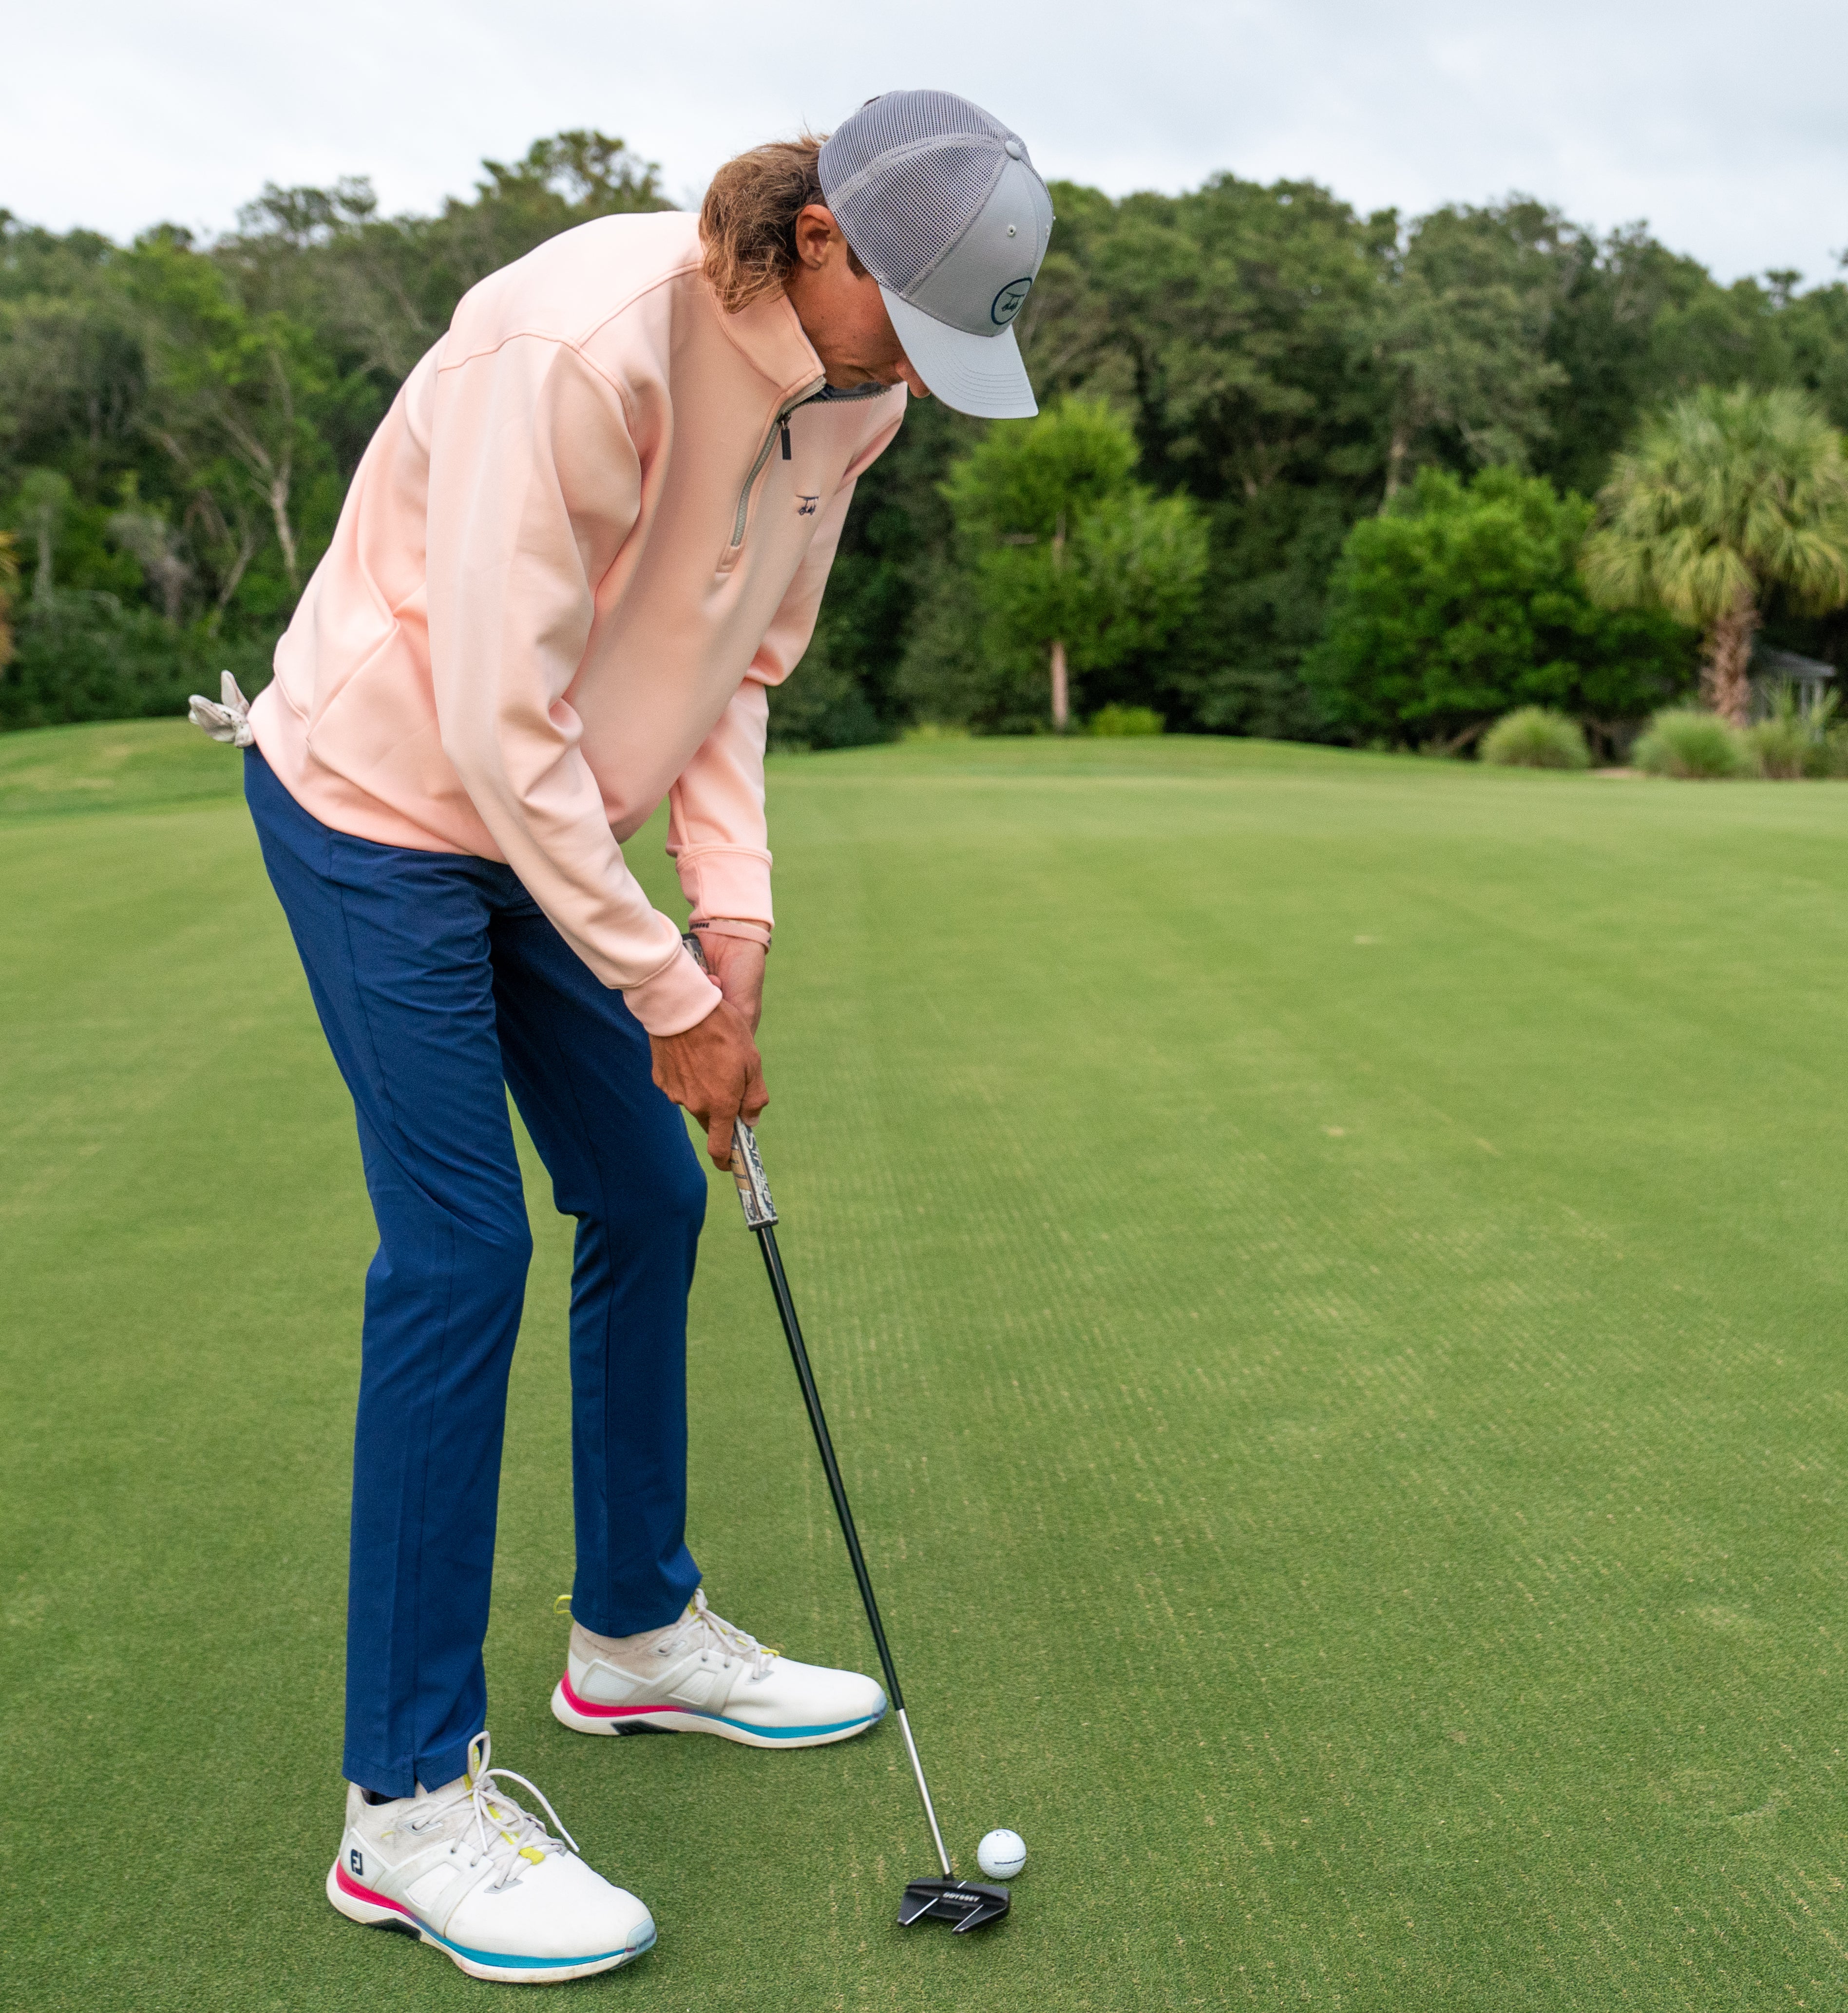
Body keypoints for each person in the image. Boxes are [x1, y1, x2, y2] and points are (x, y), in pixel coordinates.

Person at [190, 89, 1053, 1984]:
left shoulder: (857, 393)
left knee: (647, 1198)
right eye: (909, 315)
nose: (916, 368)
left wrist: (726, 944)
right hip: (383, 805)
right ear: (820, 237)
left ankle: (634, 1637)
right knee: (461, 1246)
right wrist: (662, 989)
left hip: (556, 813)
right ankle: (404, 1807)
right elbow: (496, 722)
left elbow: (738, 675)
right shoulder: (574, 346)